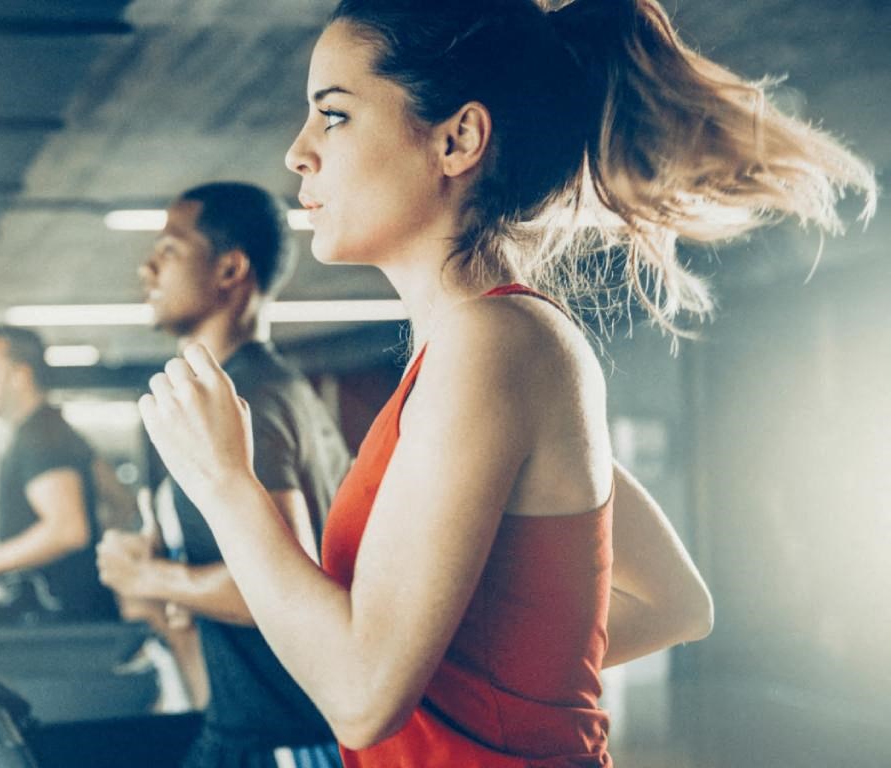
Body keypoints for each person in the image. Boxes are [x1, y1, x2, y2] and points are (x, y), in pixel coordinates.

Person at [137, 1, 877, 766]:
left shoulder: (493, 346)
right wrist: (450, 668)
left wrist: (226, 485)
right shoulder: (478, 353)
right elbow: (675, 603)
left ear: (456, 139)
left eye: (333, 116)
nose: (298, 153)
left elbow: (360, 699)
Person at [96, 182, 351, 767]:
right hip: (239, 729)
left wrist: (152, 577)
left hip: (289, 737)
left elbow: (282, 588)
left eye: (170, 249)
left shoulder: (252, 398)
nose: (147, 266)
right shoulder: (219, 396)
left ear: (231, 268)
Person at [0, 325, 117, 620]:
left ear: (19, 376)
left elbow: (69, 530)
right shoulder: (58, 431)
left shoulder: (40, 436)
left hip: (57, 622)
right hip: (74, 613)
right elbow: (120, 502)